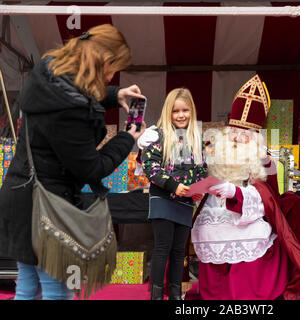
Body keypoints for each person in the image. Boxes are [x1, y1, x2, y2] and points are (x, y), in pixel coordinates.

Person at [0, 24, 146, 300]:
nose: (113, 75)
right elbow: (92, 168)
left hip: (20, 196)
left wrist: (116, 94)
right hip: (47, 207)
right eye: (113, 68)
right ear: (103, 63)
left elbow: (73, 91)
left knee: (29, 287)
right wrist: (128, 137)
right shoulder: (72, 111)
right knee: (58, 291)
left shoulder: (46, 72)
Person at [190, 75, 300, 300]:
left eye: (245, 135)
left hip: (251, 215)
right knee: (207, 230)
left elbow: (267, 199)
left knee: (255, 233)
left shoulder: (265, 162)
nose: (237, 137)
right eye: (235, 131)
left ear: (255, 138)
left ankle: (248, 292)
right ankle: (217, 291)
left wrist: (236, 194)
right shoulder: (215, 155)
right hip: (216, 212)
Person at [141, 88, 207, 300]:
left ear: (192, 111)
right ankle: (157, 296)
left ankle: (176, 294)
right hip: (163, 199)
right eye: (176, 111)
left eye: (185, 110)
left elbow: (202, 169)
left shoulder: (196, 138)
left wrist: (198, 189)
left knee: (180, 251)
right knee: (162, 248)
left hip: (185, 202)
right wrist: (172, 185)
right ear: (168, 112)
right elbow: (150, 167)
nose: (181, 115)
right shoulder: (158, 135)